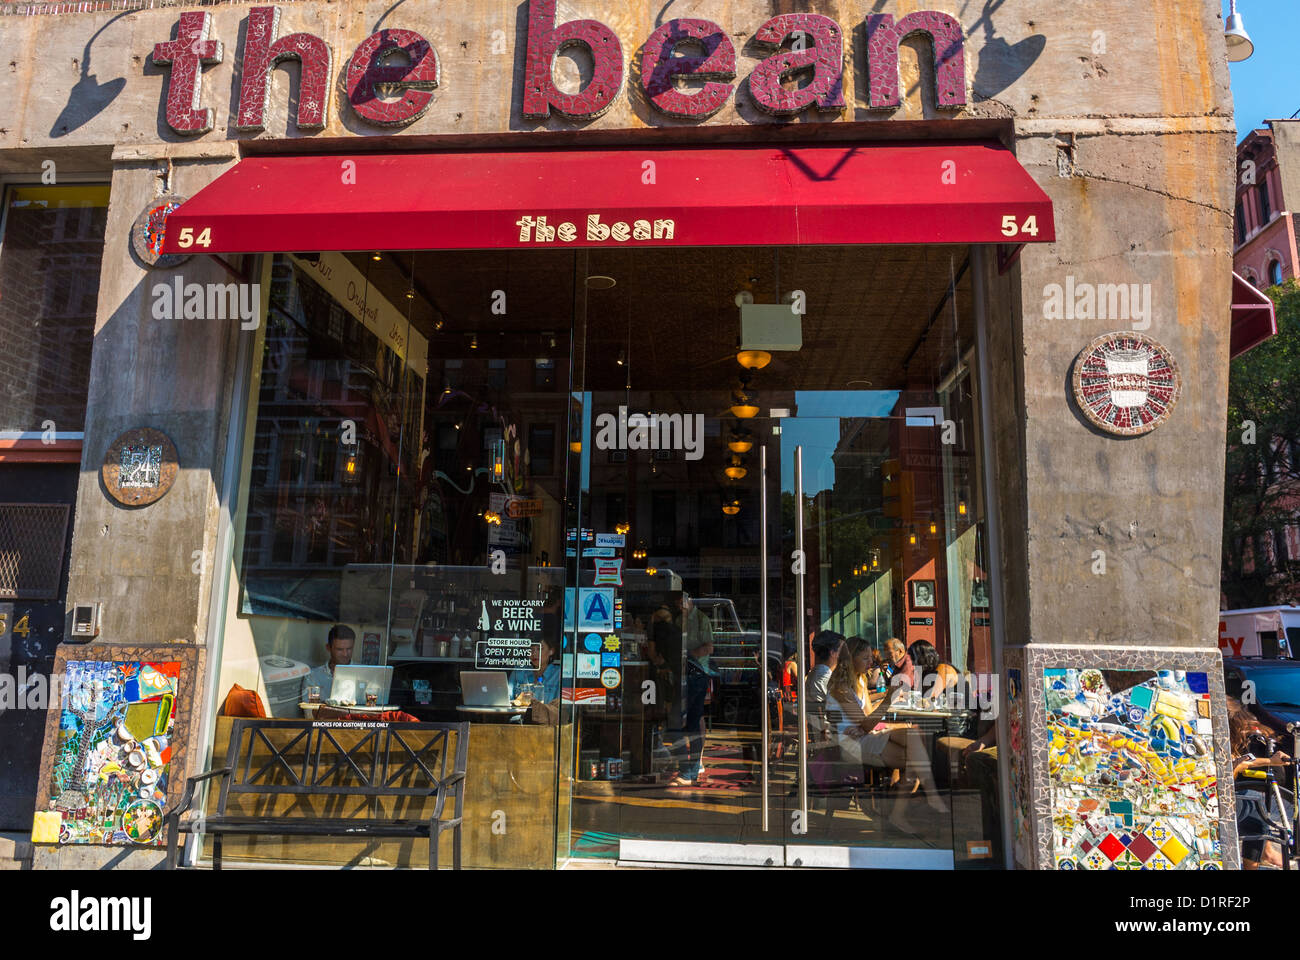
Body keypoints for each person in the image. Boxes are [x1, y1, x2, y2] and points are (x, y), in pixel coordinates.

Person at [824, 634, 946, 830]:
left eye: (869, 657)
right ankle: (909, 807)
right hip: (851, 745)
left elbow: (869, 718)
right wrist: (888, 700)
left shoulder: (860, 681)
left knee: (914, 735)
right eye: (865, 658)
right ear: (851, 659)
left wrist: (884, 723)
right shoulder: (840, 687)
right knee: (916, 759)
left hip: (864, 736)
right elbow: (865, 723)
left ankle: (916, 802)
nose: (871, 661)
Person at [1229, 696, 1294, 869]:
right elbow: (1235, 767)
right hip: (1236, 798)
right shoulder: (1251, 730)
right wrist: (1269, 762)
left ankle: (1265, 855)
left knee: (1255, 804)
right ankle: (1259, 860)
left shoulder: (1240, 734)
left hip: (1251, 791)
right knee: (1255, 809)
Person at [669, 593, 716, 787]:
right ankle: (691, 769)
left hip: (697, 673)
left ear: (691, 601)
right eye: (678, 603)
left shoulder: (701, 619)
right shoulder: (680, 619)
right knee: (681, 722)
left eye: (683, 602)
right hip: (681, 673)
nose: (680, 606)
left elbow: (709, 647)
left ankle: (689, 769)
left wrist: (689, 655)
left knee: (687, 722)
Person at [300, 624, 355, 708]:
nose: (345, 654)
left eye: (349, 649)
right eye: (339, 649)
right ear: (328, 648)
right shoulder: (313, 676)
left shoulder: (364, 673)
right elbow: (309, 712)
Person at [509, 635, 561, 704]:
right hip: (520, 713)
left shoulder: (558, 674)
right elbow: (508, 698)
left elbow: (560, 706)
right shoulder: (519, 671)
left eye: (539, 649)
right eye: (531, 649)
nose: (534, 653)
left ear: (551, 651)